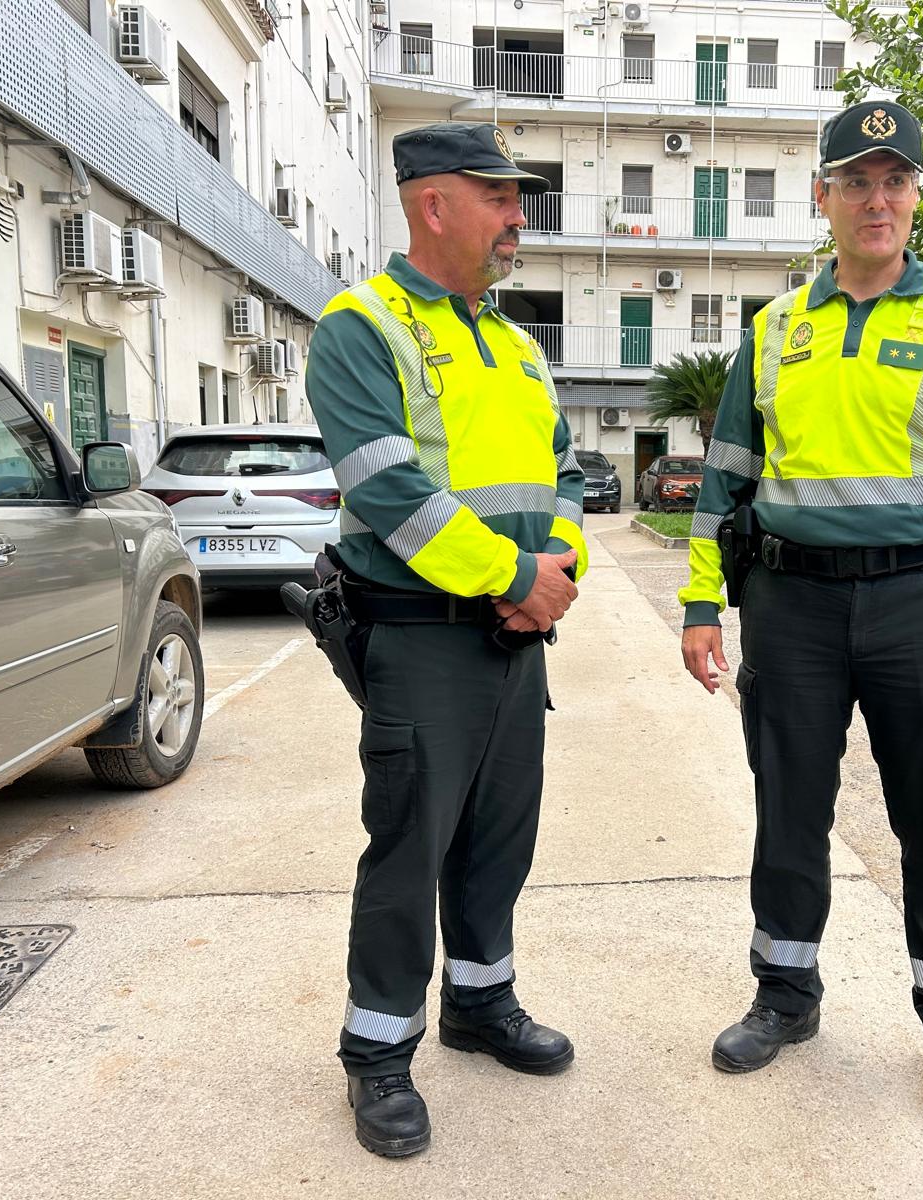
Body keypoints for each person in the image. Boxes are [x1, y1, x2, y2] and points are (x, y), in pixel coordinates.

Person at [677, 100, 923, 1130]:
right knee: (788, 809)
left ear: (916, 196)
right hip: (788, 603)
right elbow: (725, 478)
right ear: (822, 196)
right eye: (856, 180)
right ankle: (784, 995)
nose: (878, 198)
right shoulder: (776, 326)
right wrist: (701, 598)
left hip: (922, 604)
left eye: (896, 179)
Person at [305, 121, 588, 1159]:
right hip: (420, 634)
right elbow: (387, 492)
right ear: (435, 203)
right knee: (410, 848)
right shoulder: (360, 326)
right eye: (501, 197)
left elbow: (563, 478)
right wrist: (515, 577)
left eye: (520, 199)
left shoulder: (514, 344)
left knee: (498, 840)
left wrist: (556, 575)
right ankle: (377, 1054)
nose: (519, 217)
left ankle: (481, 1002)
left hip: (515, 640)